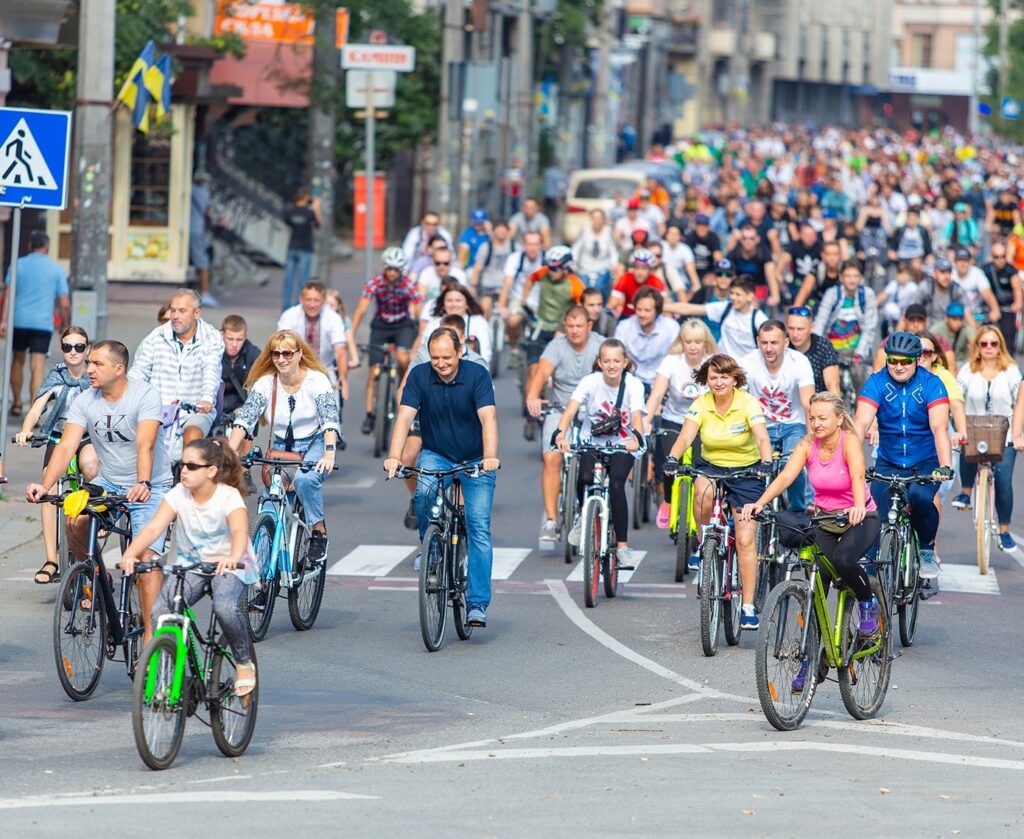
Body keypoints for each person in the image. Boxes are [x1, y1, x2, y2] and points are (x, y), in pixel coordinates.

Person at [26, 340, 172, 643]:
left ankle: (150, 637)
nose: (89, 369)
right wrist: (46, 485)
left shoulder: (145, 396)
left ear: (119, 369)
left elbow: (146, 444)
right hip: (109, 481)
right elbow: (66, 446)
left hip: (151, 485)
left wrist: (143, 482)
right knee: (74, 521)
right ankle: (99, 577)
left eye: (97, 364)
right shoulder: (85, 399)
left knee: (145, 560)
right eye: (89, 362)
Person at [741, 392, 881, 648]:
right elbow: (785, 478)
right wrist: (759, 503)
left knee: (843, 561)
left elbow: (858, 477)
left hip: (859, 518)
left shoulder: (848, 441)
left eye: (822, 418)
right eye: (812, 418)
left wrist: (858, 506)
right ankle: (813, 656)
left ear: (839, 419)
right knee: (817, 580)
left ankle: (868, 603)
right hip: (825, 520)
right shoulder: (807, 445)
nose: (816, 424)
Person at [121, 437, 255, 697]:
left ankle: (243, 662)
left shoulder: (228, 497)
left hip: (227, 565)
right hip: (190, 566)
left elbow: (239, 530)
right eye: (182, 464)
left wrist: (233, 556)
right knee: (161, 611)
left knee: (225, 608)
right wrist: (130, 554)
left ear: (211, 471)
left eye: (192, 466)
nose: (184, 470)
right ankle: (167, 679)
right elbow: (153, 527)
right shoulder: (178, 494)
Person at [385, 327, 500, 627]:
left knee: (478, 527)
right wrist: (395, 457)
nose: (441, 363)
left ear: (460, 352)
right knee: (422, 494)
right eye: (435, 357)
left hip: (476, 458)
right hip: (437, 453)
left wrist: (490, 456)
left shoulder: (477, 375)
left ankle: (476, 603)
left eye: (447, 357)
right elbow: (404, 418)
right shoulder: (420, 375)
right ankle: (430, 545)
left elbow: (488, 418)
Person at [663, 354, 773, 628]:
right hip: (711, 465)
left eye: (724, 376)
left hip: (747, 471)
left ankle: (747, 606)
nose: (719, 382)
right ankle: (705, 543)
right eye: (713, 377)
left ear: (735, 378)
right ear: (706, 380)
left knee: (746, 539)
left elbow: (761, 437)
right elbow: (686, 437)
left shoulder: (747, 403)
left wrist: (766, 462)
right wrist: (673, 458)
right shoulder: (701, 404)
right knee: (701, 493)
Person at [228, 330, 339, 563]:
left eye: (287, 353)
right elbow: (245, 419)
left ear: (299, 354)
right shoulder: (266, 383)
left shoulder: (317, 380)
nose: (281, 359)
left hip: (314, 443)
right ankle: (260, 584)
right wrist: (229, 451)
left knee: (305, 480)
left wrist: (329, 453)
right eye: (276, 353)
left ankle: (318, 531)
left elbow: (329, 419)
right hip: (280, 448)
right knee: (269, 508)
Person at [854, 331, 953, 580]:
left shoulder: (932, 384)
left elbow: (939, 428)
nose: (898, 366)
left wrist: (945, 466)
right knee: (874, 512)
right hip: (889, 461)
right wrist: (850, 462)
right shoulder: (876, 383)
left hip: (924, 461)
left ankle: (927, 549)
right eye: (893, 360)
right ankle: (873, 577)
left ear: (917, 360)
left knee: (921, 498)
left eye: (905, 361)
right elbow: (860, 425)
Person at [15, 326, 98, 584]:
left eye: (79, 347)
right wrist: (26, 431)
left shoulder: (93, 375)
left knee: (92, 468)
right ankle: (51, 559)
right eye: (67, 347)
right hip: (58, 435)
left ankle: (94, 532)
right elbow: (38, 406)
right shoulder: (56, 375)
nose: (73, 352)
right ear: (61, 350)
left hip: (86, 437)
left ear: (87, 349)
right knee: (46, 487)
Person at [555, 338, 646, 569]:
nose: (612, 365)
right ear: (599, 362)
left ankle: (623, 547)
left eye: (617, 361)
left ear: (625, 362)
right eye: (607, 361)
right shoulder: (590, 381)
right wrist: (560, 434)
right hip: (592, 440)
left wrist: (635, 438)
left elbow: (636, 416)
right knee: (584, 477)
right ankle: (582, 518)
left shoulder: (634, 385)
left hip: (622, 443)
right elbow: (570, 410)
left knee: (616, 484)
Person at [526, 306, 603, 540]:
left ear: (589, 326)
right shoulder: (557, 346)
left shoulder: (601, 345)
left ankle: (593, 506)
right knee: (551, 457)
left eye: (580, 326)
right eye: (570, 326)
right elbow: (541, 373)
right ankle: (551, 520)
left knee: (598, 459)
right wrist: (532, 397)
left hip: (592, 411)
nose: (575, 331)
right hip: (560, 409)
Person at [129, 288, 225, 458]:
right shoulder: (156, 336)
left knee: (193, 435)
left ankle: (187, 481)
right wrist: (126, 392)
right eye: (173, 310)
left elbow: (211, 370)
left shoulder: (212, 337)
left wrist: (207, 398)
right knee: (142, 443)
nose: (175, 316)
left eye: (182, 311)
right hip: (159, 410)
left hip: (194, 411)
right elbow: (140, 370)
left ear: (197, 313)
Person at [953, 325, 1022, 553]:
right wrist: (958, 427)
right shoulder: (967, 370)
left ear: (1000, 346)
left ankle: (1004, 531)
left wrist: (1018, 434)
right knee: (966, 443)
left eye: (994, 343)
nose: (989, 348)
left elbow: (1020, 402)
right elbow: (956, 398)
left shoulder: (1011, 371)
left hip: (1005, 432)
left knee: (1002, 480)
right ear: (978, 347)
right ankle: (965, 493)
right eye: (984, 344)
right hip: (974, 429)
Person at [645, 319, 715, 529]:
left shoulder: (713, 362)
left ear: (705, 344)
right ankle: (667, 500)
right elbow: (657, 394)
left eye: (698, 342)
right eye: (688, 341)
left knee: (699, 468)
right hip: (674, 420)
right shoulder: (671, 361)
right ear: (681, 343)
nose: (693, 346)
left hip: (703, 423)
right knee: (669, 461)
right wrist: (646, 421)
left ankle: (699, 510)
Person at [741, 320, 815, 511]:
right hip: (760, 425)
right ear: (758, 342)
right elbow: (740, 400)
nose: (768, 348)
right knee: (751, 467)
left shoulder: (799, 362)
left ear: (786, 342)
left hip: (793, 424)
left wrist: (810, 436)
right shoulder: (747, 362)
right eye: (764, 343)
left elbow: (808, 402)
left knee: (792, 465)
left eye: (774, 342)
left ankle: (797, 510)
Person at [350, 247, 421, 435]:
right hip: (381, 325)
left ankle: (403, 389)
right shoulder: (375, 282)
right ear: (384, 267)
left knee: (403, 357)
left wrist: (420, 331)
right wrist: (350, 335)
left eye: (396, 269)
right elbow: (361, 309)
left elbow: (418, 308)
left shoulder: (408, 284)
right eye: (389, 268)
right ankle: (370, 415)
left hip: (402, 325)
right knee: (373, 371)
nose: (392, 273)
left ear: (401, 270)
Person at [1, 231, 70, 416]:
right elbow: (64, 303)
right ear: (47, 248)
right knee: (37, 365)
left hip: (19, 321)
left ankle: (16, 403)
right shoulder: (56, 269)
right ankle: (34, 410)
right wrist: (65, 325)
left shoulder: (18, 265)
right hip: (42, 324)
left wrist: (3, 320)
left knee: (17, 360)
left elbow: (7, 294)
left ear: (29, 246)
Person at [277, 280, 349, 413]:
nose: (312, 304)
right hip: (295, 370)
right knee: (288, 414)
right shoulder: (289, 316)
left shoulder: (333, 318)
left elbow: (340, 350)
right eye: (308, 299)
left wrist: (343, 378)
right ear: (301, 299)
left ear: (323, 301)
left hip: (325, 369)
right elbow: (280, 346)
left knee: (331, 413)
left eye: (316, 300)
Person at [812, 260, 878, 393]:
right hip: (832, 348)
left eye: (855, 276)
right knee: (826, 382)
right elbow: (821, 320)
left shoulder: (867, 294)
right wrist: (817, 346)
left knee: (862, 382)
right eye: (848, 276)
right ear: (841, 277)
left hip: (856, 349)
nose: (852, 280)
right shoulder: (832, 294)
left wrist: (860, 353)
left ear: (860, 278)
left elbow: (869, 327)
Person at [671, 274, 768, 360]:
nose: (733, 297)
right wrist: (660, 306)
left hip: (745, 371)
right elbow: (689, 308)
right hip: (721, 365)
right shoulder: (726, 308)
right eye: (732, 293)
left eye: (738, 294)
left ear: (749, 296)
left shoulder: (759, 319)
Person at [613, 287, 677, 390]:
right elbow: (616, 355)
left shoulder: (671, 327)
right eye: (639, 309)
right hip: (630, 383)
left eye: (647, 310)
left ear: (657, 311)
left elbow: (676, 360)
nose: (642, 314)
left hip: (663, 383)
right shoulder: (624, 327)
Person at [415, 283, 493, 367]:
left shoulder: (479, 322)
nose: (453, 304)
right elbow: (424, 354)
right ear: (443, 304)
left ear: (467, 304)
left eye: (458, 301)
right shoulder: (433, 324)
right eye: (449, 301)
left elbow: (485, 355)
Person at [497, 230, 546, 367]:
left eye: (536, 244)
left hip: (540, 301)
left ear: (541, 245)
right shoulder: (515, 258)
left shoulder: (546, 260)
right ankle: (514, 350)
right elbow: (507, 284)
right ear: (524, 245)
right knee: (512, 321)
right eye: (529, 244)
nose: (532, 248)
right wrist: (502, 307)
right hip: (519, 299)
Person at [281, 188, 321, 311]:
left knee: (288, 280)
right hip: (305, 249)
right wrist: (316, 207)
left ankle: (286, 307)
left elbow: (287, 221)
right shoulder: (309, 213)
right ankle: (299, 306)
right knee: (303, 281)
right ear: (305, 198)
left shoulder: (290, 211)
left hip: (292, 247)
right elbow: (318, 224)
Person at [786, 306, 840, 394]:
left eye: (800, 329)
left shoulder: (823, 346)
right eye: (791, 328)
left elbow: (832, 385)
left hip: (818, 401)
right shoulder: (783, 345)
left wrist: (836, 406)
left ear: (812, 328)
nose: (795, 334)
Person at [469, 219, 516, 318]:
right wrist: (473, 286)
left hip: (508, 286)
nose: (501, 234)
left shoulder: (514, 246)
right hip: (489, 284)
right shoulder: (486, 247)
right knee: (485, 309)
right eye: (499, 231)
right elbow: (477, 267)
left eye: (504, 231)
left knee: (509, 312)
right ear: (493, 231)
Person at [980, 244, 1023, 349]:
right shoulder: (986, 270)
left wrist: (1017, 303)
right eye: (997, 257)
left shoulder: (1011, 271)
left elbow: (1017, 289)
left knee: (1007, 339)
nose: (1001, 260)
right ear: (992, 257)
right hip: (989, 308)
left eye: (1003, 256)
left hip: (1007, 308)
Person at [727, 223, 780, 306]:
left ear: (757, 239)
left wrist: (775, 296)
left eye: (751, 238)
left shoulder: (764, 252)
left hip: (759, 287)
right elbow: (728, 274)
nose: (748, 242)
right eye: (744, 238)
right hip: (739, 287)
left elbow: (771, 276)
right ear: (740, 240)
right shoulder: (735, 252)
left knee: (754, 304)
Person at [572, 209, 619, 301]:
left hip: (602, 267)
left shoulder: (608, 231)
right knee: (584, 290)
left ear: (603, 220)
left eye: (599, 218)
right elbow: (576, 248)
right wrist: (573, 261)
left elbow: (613, 251)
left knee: (600, 288)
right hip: (585, 267)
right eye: (595, 218)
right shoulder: (585, 230)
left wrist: (614, 264)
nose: (597, 221)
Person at [608, 248, 668, 318]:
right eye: (636, 267)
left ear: (650, 270)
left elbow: (665, 306)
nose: (640, 272)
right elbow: (611, 304)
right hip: (628, 317)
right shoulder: (625, 278)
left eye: (644, 268)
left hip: (650, 318)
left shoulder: (656, 281)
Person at [189, 171, 219, 308]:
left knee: (197, 260)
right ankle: (204, 293)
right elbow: (207, 211)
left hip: (187, 228)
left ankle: (198, 292)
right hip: (198, 228)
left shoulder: (189, 189)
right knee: (203, 261)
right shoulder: (204, 192)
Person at [950, 248, 1001, 325]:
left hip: (976, 314)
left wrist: (995, 310)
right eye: (960, 260)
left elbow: (987, 293)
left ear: (970, 262)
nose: (963, 264)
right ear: (955, 262)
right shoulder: (950, 274)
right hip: (956, 315)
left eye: (965, 260)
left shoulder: (977, 274)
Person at [686, 213, 724, 286]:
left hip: (708, 271)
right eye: (699, 225)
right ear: (696, 226)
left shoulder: (713, 237)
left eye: (704, 226)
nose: (701, 228)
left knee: (710, 283)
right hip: (693, 271)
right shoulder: (690, 237)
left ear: (708, 227)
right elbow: (688, 260)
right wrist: (695, 280)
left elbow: (718, 256)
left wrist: (715, 273)